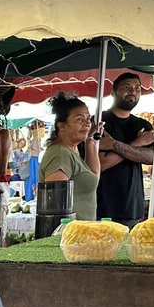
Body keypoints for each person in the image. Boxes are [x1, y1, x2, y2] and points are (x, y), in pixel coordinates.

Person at [97, 72, 154, 226]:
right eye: (127, 87)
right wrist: (137, 143)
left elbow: (152, 158)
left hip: (133, 207)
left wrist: (113, 145)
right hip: (103, 207)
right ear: (113, 93)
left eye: (137, 88)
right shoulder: (99, 122)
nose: (133, 91)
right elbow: (101, 164)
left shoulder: (143, 125)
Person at [39, 92, 101, 222]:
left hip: (82, 235)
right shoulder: (60, 154)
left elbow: (94, 175)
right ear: (61, 126)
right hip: (70, 237)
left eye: (88, 119)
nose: (87, 124)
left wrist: (90, 140)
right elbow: (56, 207)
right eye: (79, 119)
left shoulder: (71, 150)